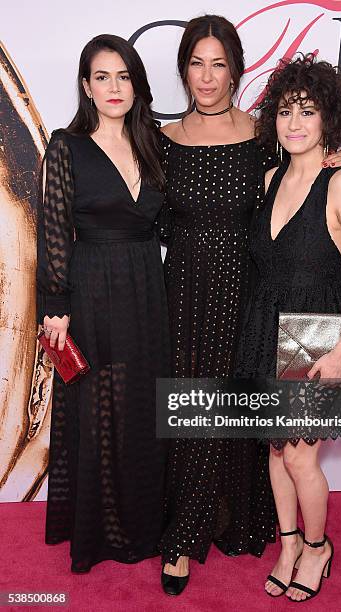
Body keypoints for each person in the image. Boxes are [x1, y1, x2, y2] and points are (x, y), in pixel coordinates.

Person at [157, 15, 341, 596]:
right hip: (185, 293)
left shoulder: (263, 137)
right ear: (183, 69)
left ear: (237, 70)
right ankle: (181, 537)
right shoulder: (160, 139)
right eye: (197, 62)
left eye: (219, 63)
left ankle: (253, 524)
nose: (207, 75)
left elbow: (308, 174)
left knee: (257, 427)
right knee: (194, 414)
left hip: (253, 299)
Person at [234, 54, 341, 601]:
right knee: (276, 450)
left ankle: (319, 548)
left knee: (299, 453)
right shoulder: (271, 177)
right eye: (285, 111)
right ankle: (290, 542)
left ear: (329, 121)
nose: (294, 123)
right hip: (269, 322)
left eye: (308, 112)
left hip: (322, 328)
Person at [37, 34, 170, 573]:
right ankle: (98, 533)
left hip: (147, 288)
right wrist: (55, 304)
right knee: (98, 408)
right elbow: (53, 228)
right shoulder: (66, 145)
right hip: (90, 287)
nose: (114, 87)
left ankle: (143, 525)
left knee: (141, 406)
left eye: (123, 76)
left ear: (136, 84)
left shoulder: (156, 143)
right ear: (86, 87)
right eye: (102, 77)